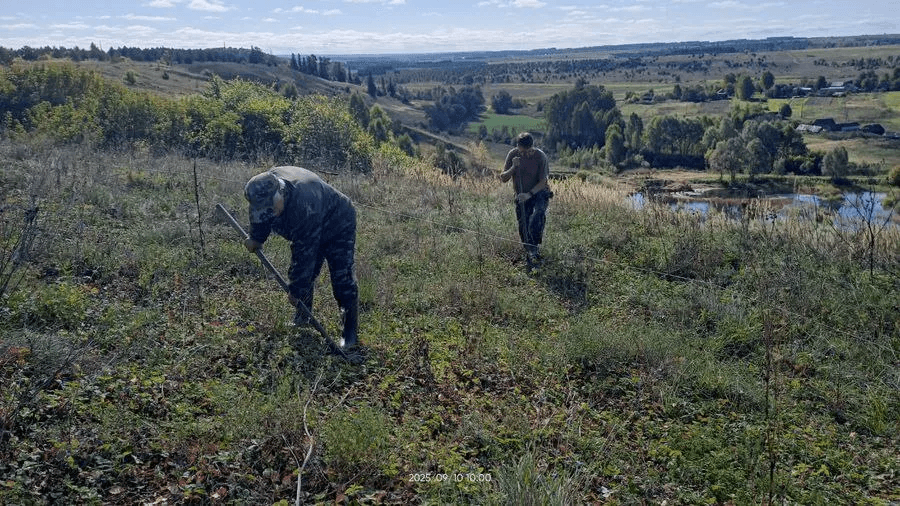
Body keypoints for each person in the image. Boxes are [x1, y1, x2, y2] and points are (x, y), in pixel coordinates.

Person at [243, 166, 359, 349]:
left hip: (338, 223)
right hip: (311, 225)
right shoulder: (262, 190)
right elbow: (261, 217)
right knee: (307, 274)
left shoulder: (305, 202)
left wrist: (295, 289)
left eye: (272, 208)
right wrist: (256, 238)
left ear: (280, 193)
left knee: (341, 277)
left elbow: (305, 253)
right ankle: (303, 318)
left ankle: (349, 333)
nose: (270, 213)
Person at [499, 132, 552, 267]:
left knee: (537, 215)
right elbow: (503, 178)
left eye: (528, 152)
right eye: (523, 152)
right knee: (523, 223)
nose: (526, 155)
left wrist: (529, 194)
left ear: (532, 147)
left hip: (539, 192)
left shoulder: (540, 156)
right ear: (518, 147)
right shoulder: (513, 155)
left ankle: (535, 249)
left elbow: (543, 181)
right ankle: (529, 251)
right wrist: (513, 167)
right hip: (521, 194)